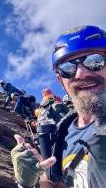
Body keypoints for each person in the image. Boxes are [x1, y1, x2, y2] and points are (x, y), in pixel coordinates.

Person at [11, 25, 106, 188]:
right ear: (61, 81)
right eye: (67, 68)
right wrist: (29, 182)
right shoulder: (63, 133)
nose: (80, 73)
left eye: (94, 60)